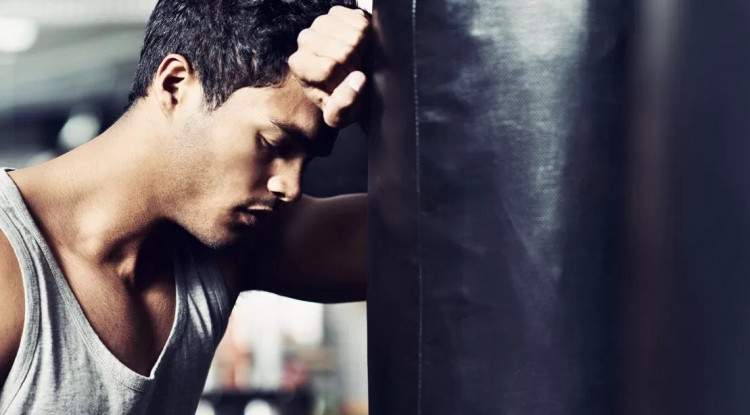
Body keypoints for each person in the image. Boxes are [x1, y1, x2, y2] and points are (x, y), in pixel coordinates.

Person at [0, 0, 371, 413]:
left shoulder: (229, 247)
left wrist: (389, 75)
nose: (291, 187)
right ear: (175, 84)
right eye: (273, 144)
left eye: (307, 159)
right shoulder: (9, 263)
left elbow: (431, 238)